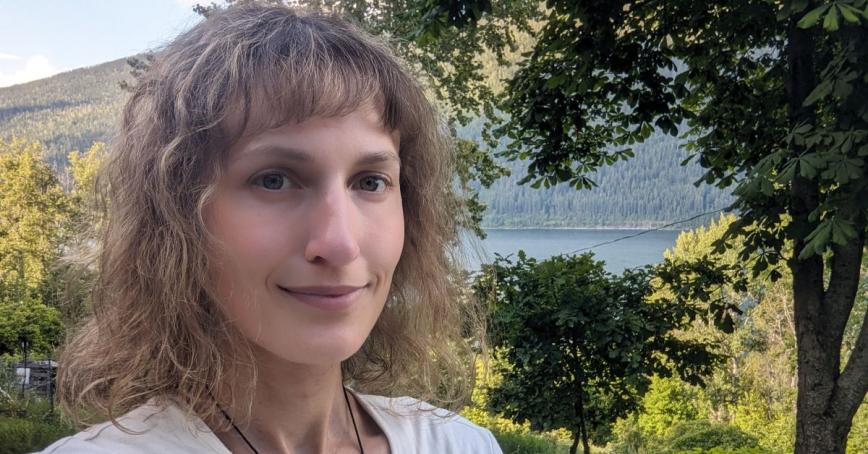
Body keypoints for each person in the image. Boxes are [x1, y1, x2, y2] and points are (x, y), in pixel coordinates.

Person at [39, 3, 500, 453]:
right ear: (177, 216)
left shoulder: (459, 444)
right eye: (274, 180)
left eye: (371, 182)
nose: (340, 243)